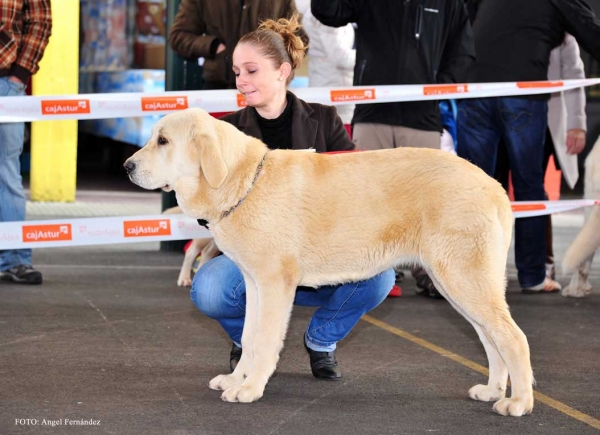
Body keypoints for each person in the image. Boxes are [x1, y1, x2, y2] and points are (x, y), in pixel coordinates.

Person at [190, 15, 395, 380]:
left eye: (251, 70)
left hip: (320, 256)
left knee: (381, 276)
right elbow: (207, 211)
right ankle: (249, 345)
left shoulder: (326, 121)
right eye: (237, 71)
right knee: (208, 289)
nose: (241, 80)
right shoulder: (227, 130)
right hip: (254, 261)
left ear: (283, 71)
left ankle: (320, 341)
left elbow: (355, 188)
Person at [311, 0, 475, 299]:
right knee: (366, 201)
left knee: (426, 202)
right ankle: (376, 272)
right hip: (372, 115)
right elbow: (327, 11)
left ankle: (429, 270)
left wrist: (437, 89)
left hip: (422, 119)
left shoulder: (450, 3)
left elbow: (463, 51)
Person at [457, 0, 600, 293]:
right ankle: (533, 276)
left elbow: (465, 22)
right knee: (528, 186)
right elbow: (590, 32)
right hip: (521, 92)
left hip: (475, 88)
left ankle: (466, 275)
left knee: (473, 188)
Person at [494, 33, 587, 281]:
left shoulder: (564, 38)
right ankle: (492, 264)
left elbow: (575, 77)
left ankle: (541, 266)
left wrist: (577, 124)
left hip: (544, 122)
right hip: (497, 117)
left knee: (533, 191)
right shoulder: (502, 22)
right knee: (494, 191)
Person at [0, 0, 52, 285]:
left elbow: (41, 20)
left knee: (6, 173)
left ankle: (15, 260)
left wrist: (20, 74)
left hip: (5, 82)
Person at [168, 0, 306, 90]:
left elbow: (299, 39)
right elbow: (178, 36)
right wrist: (213, 46)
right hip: (219, 86)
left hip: (266, 89)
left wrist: (271, 58)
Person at [295, 0, 356, 124]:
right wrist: (368, 59)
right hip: (336, 93)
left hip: (327, 87)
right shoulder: (326, 14)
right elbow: (340, 58)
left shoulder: (320, 11)